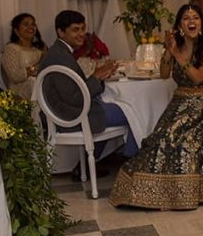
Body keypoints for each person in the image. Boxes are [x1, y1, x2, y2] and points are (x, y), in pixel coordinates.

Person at [109, 4, 203, 210]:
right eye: (186, 18)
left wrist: (177, 54)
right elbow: (164, 74)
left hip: (201, 102)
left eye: (195, 17)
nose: (191, 22)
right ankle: (149, 191)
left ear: (201, 24)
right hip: (178, 101)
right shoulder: (175, 46)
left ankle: (181, 194)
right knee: (158, 136)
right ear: (179, 25)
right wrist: (169, 52)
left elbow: (197, 78)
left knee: (176, 135)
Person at [38, 10, 137, 161]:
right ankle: (130, 159)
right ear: (61, 32)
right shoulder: (60, 57)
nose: (81, 34)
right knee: (133, 111)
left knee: (121, 106)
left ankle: (98, 160)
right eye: (75, 30)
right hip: (70, 116)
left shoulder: (59, 52)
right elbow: (75, 97)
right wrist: (96, 76)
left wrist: (100, 76)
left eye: (83, 29)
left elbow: (75, 90)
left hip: (67, 112)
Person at [1, 13, 46, 100]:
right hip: (20, 91)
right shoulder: (11, 49)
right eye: (26, 24)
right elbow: (15, 76)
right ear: (16, 30)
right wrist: (36, 67)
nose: (31, 27)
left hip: (39, 83)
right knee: (34, 83)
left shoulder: (39, 48)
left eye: (33, 24)